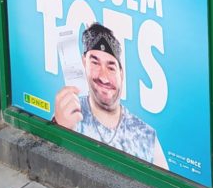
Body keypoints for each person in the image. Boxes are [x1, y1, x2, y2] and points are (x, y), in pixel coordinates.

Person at [53, 23, 168, 170]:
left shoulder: (146, 135)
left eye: (111, 67)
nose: (103, 77)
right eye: (95, 63)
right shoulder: (69, 112)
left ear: (121, 73)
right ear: (84, 63)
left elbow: (167, 180)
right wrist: (60, 128)